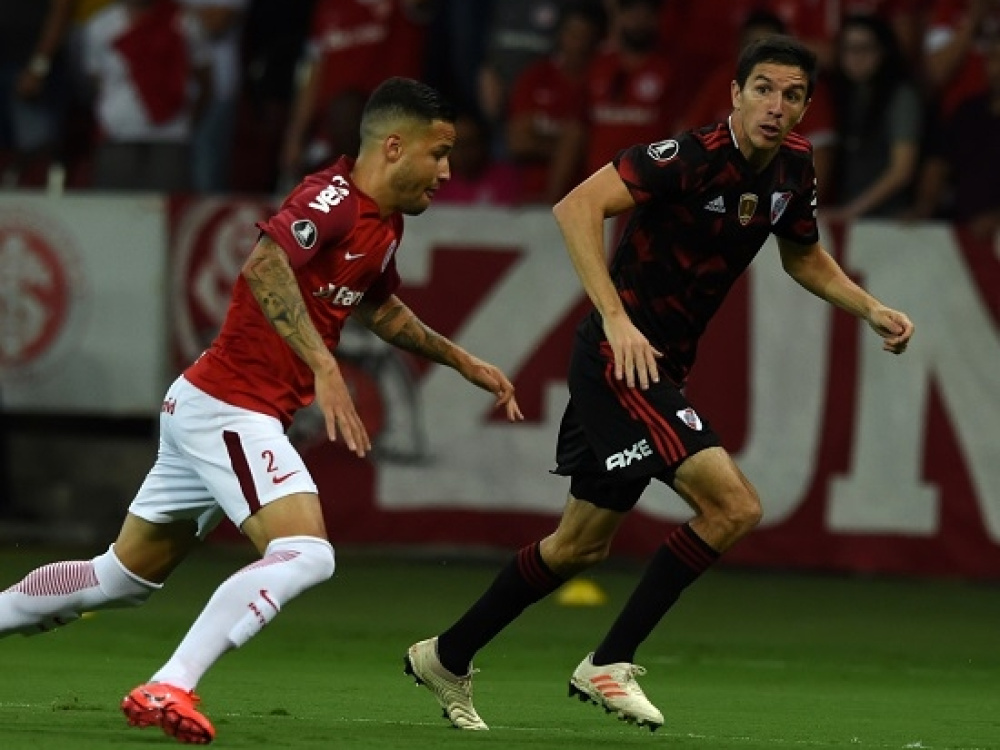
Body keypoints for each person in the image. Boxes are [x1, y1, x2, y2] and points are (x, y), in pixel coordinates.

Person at [404, 35, 914, 732]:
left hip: (660, 366)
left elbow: (803, 258)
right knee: (734, 507)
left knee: (579, 546)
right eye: (763, 88)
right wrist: (616, 320)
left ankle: (447, 655)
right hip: (619, 360)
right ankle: (610, 662)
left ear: (805, 108)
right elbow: (575, 208)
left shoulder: (794, 168)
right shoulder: (689, 157)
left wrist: (869, 307)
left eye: (792, 95)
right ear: (735, 93)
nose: (776, 105)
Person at [0, 77, 524, 745]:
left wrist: (460, 359)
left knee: (121, 577)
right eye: (439, 153)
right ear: (394, 146)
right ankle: (170, 684)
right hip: (230, 406)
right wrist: (325, 366)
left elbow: (377, 306)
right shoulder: (332, 197)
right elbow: (265, 266)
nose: (447, 171)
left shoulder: (385, 224)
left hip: (209, 404)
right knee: (307, 553)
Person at [825, 13, 923, 221]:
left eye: (865, 48)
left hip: (889, 219)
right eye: (848, 49)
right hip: (849, 213)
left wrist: (849, 212)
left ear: (883, 51)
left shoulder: (901, 96)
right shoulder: (842, 93)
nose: (855, 57)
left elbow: (902, 170)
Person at [905, 32, 1000, 237]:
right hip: (958, 225)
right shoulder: (968, 110)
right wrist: (924, 205)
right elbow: (939, 163)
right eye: (993, 58)